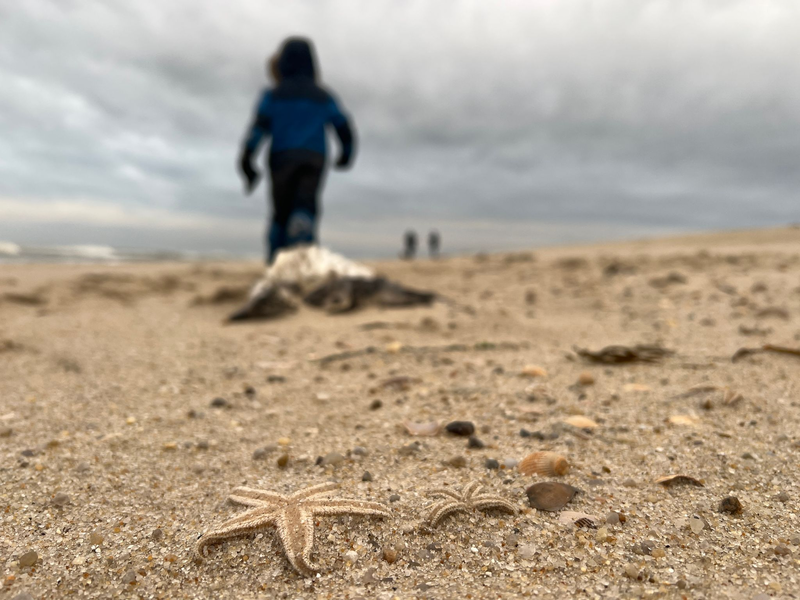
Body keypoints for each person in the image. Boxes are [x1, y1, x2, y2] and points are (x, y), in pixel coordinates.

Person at [238, 38, 356, 263]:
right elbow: (343, 125)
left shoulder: (273, 95)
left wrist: (246, 159)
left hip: (282, 158)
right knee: (305, 205)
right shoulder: (323, 96)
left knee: (280, 213)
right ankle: (304, 254)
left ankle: (276, 261)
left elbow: (257, 129)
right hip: (314, 158)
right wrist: (346, 153)